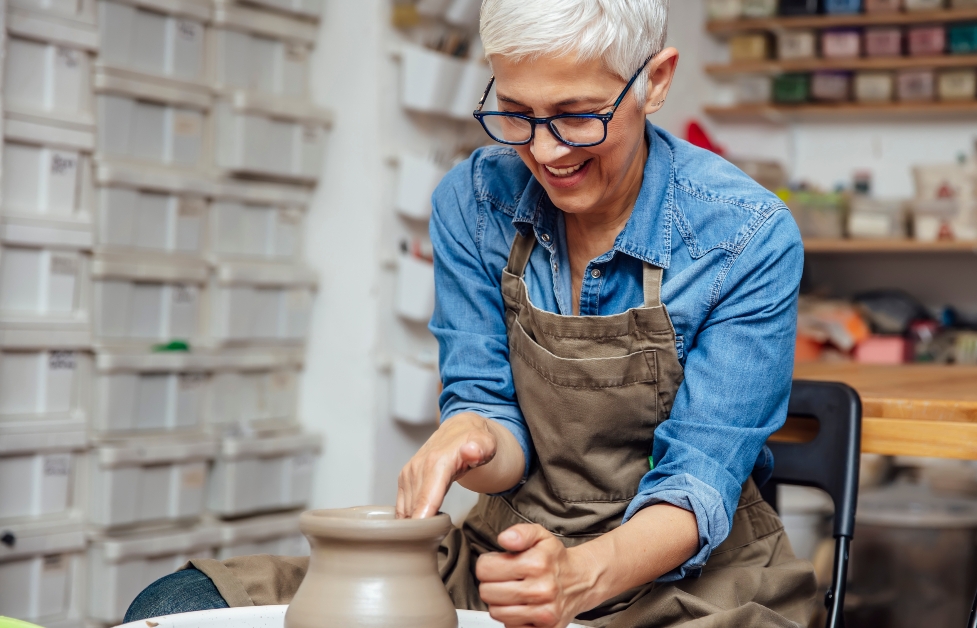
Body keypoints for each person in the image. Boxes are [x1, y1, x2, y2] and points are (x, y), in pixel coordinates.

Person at [124, 1, 815, 626]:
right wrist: (470, 437)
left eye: (578, 115)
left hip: (689, 580)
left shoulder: (746, 235)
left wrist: (575, 580)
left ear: (655, 81)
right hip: (503, 553)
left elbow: (698, 484)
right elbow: (494, 422)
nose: (545, 151)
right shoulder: (476, 200)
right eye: (516, 111)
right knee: (173, 606)